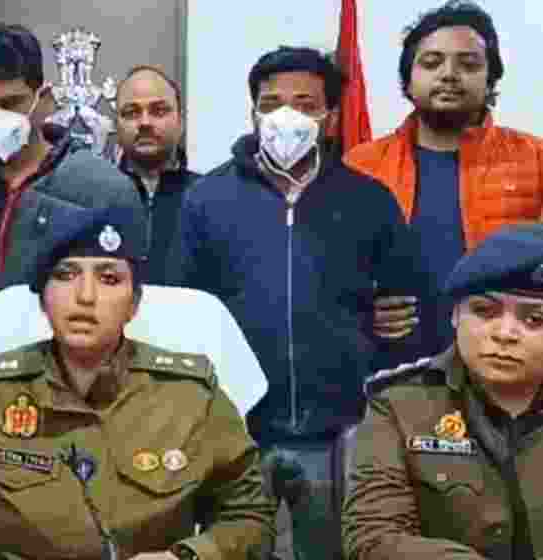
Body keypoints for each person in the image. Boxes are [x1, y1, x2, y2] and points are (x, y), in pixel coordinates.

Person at [0, 206, 275, 560]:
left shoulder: (191, 397)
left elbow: (250, 517)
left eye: (109, 279)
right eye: (65, 275)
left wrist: (187, 556)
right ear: (42, 300)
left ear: (134, 305)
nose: (85, 296)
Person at [168, 47, 419, 560]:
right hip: (236, 431)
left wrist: (374, 341)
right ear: (253, 114)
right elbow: (185, 309)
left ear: (331, 118)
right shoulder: (207, 199)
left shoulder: (368, 200)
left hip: (339, 430)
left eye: (304, 104)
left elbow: (404, 303)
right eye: (271, 103)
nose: (285, 116)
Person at [0, 20, 143, 457]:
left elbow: (129, 314)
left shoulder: (104, 190)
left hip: (58, 416)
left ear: (43, 97)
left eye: (11, 103)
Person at [345, 0, 543, 362]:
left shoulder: (536, 159)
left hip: (503, 364)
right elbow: (328, 270)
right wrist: (360, 309)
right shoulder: (360, 164)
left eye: (468, 64)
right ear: (408, 80)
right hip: (389, 368)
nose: (449, 74)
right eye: (432, 62)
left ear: (491, 80)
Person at [343, 223, 543, 560]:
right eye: (484, 311)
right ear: (454, 315)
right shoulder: (399, 407)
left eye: (534, 319)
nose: (505, 333)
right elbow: (373, 538)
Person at [115, 65, 200, 285]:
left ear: (180, 123)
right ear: (116, 126)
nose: (145, 122)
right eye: (131, 112)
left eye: (159, 111)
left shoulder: (210, 197)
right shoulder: (92, 198)